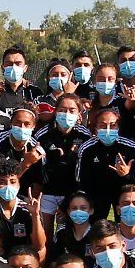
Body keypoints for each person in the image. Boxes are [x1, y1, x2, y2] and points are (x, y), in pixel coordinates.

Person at [32, 93, 90, 234]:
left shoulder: (84, 135)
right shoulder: (42, 134)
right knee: (46, 234)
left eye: (71, 110)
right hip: (48, 192)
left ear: (79, 113)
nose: (66, 114)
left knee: (70, 232)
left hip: (73, 192)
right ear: (56, 111)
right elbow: (37, 169)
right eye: (62, 110)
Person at [0, 46, 37, 111]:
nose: (13, 67)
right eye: (9, 64)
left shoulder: (34, 92)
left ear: (25, 68)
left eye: (18, 64)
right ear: (2, 68)